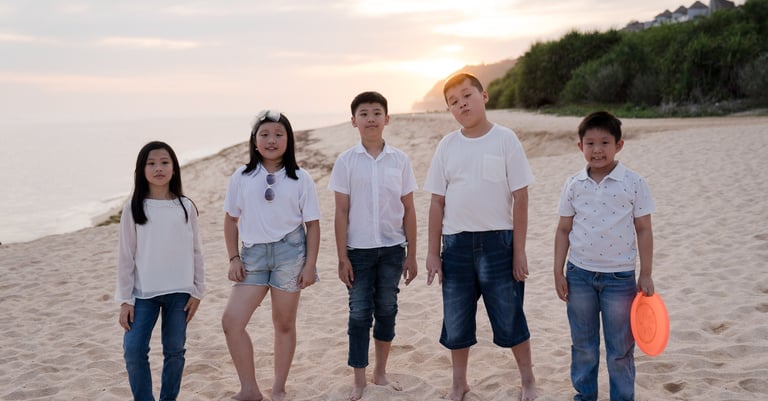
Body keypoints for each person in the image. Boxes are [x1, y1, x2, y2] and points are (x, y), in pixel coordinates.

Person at [423, 72, 538, 401]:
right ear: (449, 110)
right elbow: (436, 202)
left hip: (498, 244)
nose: (461, 104)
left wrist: (519, 251)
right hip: (455, 246)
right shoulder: (447, 146)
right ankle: (459, 383)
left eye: (467, 95)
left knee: (510, 314)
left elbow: (521, 197)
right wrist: (432, 253)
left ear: (483, 96)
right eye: (453, 102)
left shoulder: (505, 139)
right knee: (456, 320)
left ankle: (528, 379)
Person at [553, 111, 655, 401]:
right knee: (583, 346)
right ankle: (585, 396)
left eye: (605, 143)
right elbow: (563, 229)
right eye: (590, 143)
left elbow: (644, 229)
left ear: (619, 145)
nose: (597, 150)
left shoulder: (633, 182)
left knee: (620, 349)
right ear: (580, 147)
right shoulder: (573, 184)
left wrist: (646, 273)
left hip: (620, 279)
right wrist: (558, 271)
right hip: (579, 275)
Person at [221, 110, 321, 401]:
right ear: (254, 141)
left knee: (284, 323)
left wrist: (310, 265)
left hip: (291, 254)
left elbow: (313, 225)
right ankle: (250, 389)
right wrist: (233, 258)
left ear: (289, 140)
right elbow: (230, 220)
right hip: (252, 257)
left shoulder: (301, 178)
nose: (271, 140)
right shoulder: (242, 176)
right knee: (232, 322)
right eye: (264, 134)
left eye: (278, 134)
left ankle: (278, 388)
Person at [329, 91, 418, 401]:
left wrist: (412, 254)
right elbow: (340, 212)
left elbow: (409, 209)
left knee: (387, 309)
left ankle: (380, 372)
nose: (371, 119)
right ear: (354, 121)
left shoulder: (400, 160)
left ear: (387, 119)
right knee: (359, 314)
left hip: (393, 250)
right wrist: (342, 257)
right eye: (364, 114)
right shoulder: (346, 161)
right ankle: (359, 379)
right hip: (358, 252)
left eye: (377, 113)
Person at [116, 141, 205, 401]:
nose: (158, 168)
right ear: (141, 170)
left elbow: (196, 251)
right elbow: (125, 256)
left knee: (175, 350)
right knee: (133, 349)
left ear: (174, 168)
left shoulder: (185, 206)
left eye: (165, 162)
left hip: (180, 292)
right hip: (143, 294)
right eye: (151, 163)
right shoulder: (133, 207)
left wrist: (198, 291)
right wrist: (125, 299)